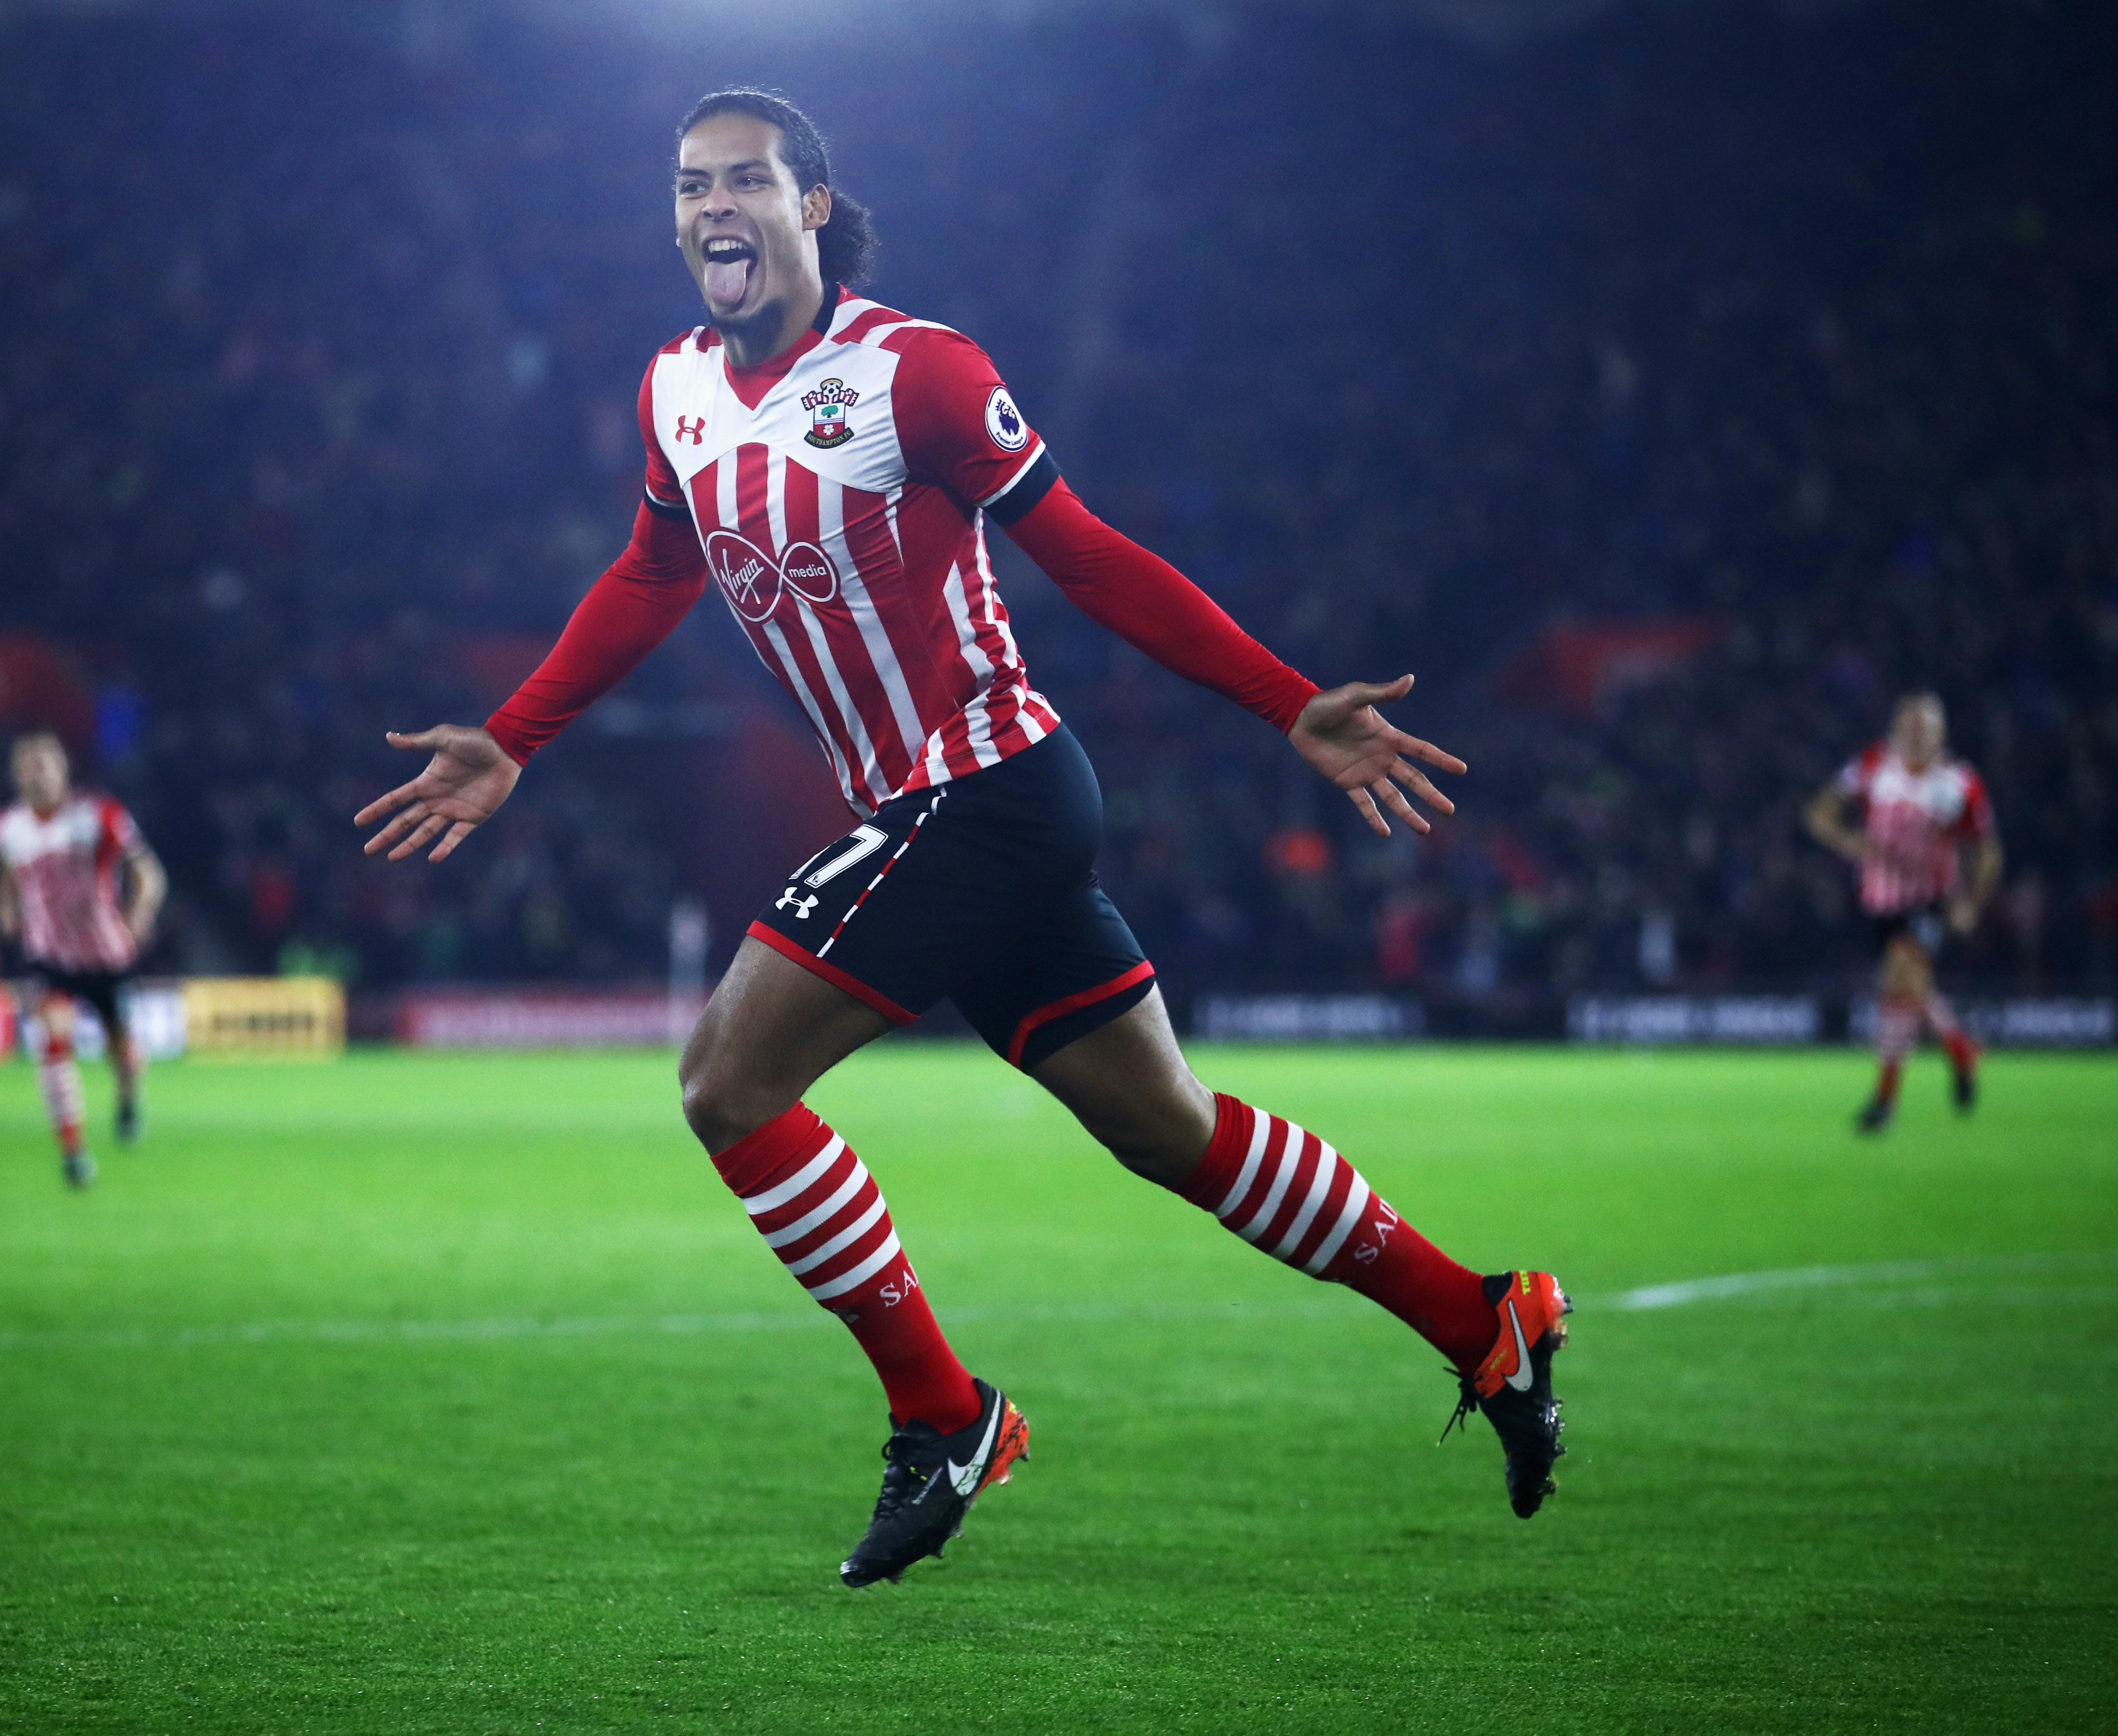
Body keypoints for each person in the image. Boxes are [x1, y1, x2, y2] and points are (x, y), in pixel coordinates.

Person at [356, 90, 1571, 1585]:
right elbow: (649, 572)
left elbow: (1091, 554)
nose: (711, 208)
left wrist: (1284, 705)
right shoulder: (670, 387)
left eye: (744, 181)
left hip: (986, 790)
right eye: (688, 187)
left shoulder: (914, 373)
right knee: (1168, 1130)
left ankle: (943, 1413)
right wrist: (515, 736)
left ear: (810, 204)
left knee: (726, 1082)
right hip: (932, 813)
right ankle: (1482, 1317)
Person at [1804, 693, 2002, 1131]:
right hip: (1879, 900)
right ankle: (1961, 1050)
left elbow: (1987, 851)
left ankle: (1885, 1101)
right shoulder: (1874, 764)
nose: (1917, 735)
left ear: (1941, 733)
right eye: (1910, 726)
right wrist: (1852, 843)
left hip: (1930, 900)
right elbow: (1818, 814)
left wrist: (1970, 902)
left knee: (1902, 977)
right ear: (1896, 728)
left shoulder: (1960, 782)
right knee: (1906, 991)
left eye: (1926, 728)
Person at [0, 731, 165, 1186]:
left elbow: (148, 872)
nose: (37, 774)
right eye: (28, 767)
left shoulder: (98, 817)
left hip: (106, 956)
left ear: (64, 770)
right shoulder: (7, 828)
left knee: (122, 1052)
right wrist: (7, 910)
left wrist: (139, 917)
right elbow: (7, 877)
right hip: (49, 958)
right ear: (16, 776)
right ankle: (74, 1152)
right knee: (52, 1043)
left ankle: (128, 1097)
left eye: (44, 765)